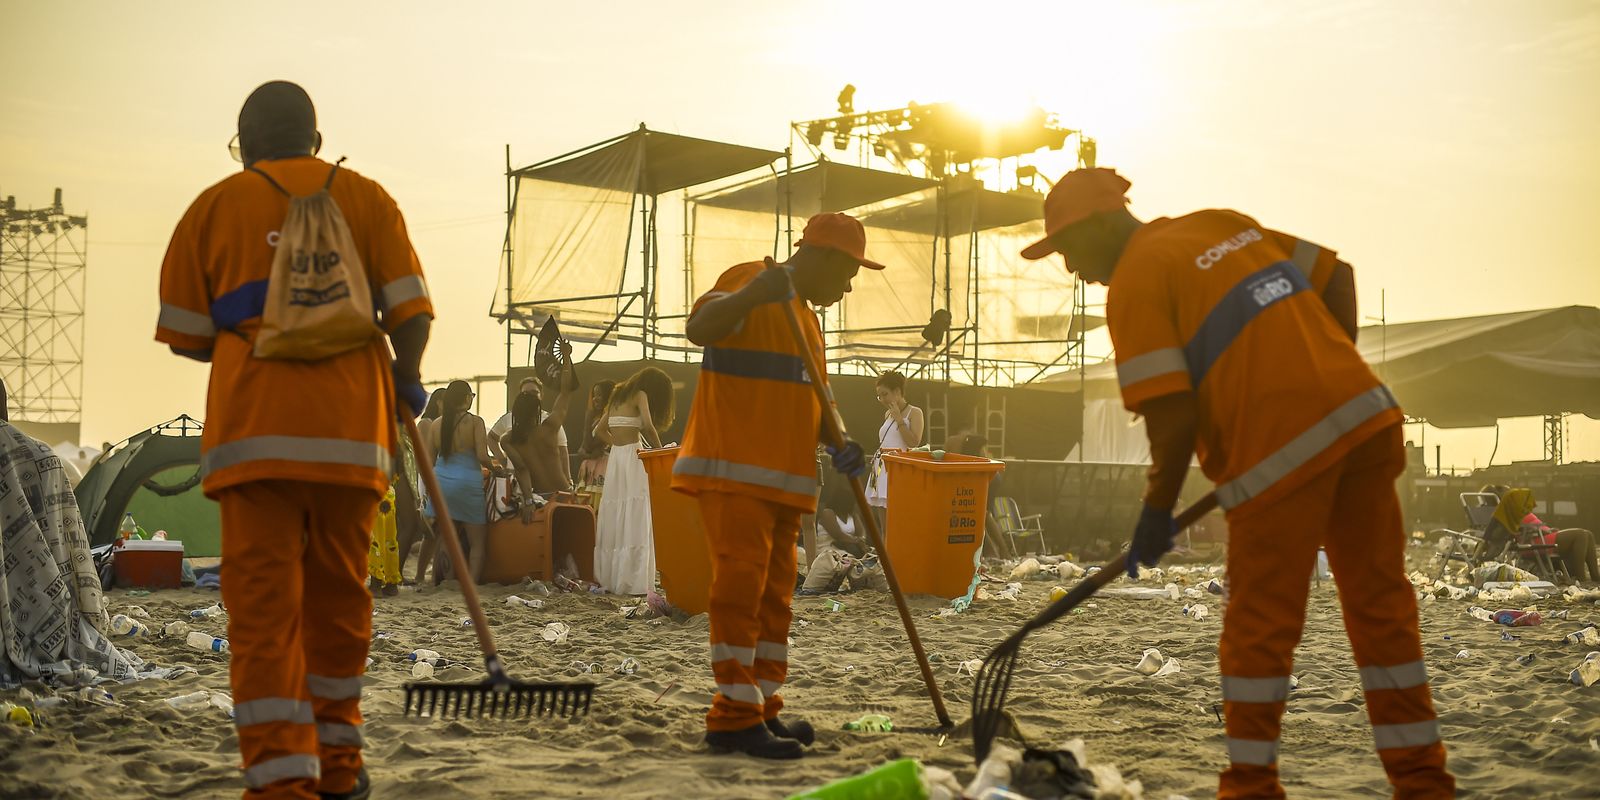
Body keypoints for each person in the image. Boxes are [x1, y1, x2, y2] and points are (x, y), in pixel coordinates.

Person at [1020, 168, 1452, 798]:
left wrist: (1155, 513)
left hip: (1274, 454)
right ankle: (1424, 784)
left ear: (1102, 225)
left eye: (1068, 250)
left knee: (1259, 629)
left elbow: (1171, 414)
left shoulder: (1136, 281)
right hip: (1362, 421)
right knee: (1381, 609)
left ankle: (1250, 787)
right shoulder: (1221, 224)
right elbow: (1338, 277)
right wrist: (1322, 376)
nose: (1072, 270)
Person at [155, 81, 432, 800]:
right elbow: (411, 312)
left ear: (245, 144)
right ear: (316, 140)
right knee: (339, 604)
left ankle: (281, 781)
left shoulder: (214, 207)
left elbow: (185, 334)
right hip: (351, 439)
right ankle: (338, 769)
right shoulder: (368, 199)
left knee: (264, 617)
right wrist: (405, 377)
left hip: (254, 443)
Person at [672, 212, 877, 760]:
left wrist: (841, 441)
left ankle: (761, 707)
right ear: (825, 256)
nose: (848, 287)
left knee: (774, 601)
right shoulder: (750, 279)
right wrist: (753, 296)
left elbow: (818, 399)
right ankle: (732, 719)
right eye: (848, 273)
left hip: (785, 486)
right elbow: (699, 329)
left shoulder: (807, 321)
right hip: (734, 474)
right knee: (739, 593)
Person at [593, 367, 675, 594]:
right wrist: (660, 452)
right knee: (637, 511)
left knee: (617, 511)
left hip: (617, 458)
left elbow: (599, 430)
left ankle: (612, 577)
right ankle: (634, 578)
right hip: (634, 456)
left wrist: (617, 445)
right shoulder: (640, 395)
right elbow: (647, 426)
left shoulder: (617, 396)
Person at [424, 380, 495, 584]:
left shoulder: (436, 424)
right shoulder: (475, 422)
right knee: (477, 542)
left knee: (448, 539)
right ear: (466, 398)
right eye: (471, 396)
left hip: (442, 483)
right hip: (467, 483)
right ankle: (471, 583)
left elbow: (428, 461)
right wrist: (496, 469)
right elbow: (482, 456)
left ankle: (448, 581)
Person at [504, 348, 578, 504]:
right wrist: (566, 358)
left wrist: (528, 501)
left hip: (540, 500)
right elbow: (566, 391)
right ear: (537, 410)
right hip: (564, 494)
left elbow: (522, 470)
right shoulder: (550, 427)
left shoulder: (509, 439)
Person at [1483, 485, 1599, 584]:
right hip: (1535, 541)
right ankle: (1581, 577)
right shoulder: (1506, 512)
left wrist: (1546, 530)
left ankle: (1595, 576)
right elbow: (1512, 531)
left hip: (1543, 536)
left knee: (1588, 534)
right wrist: (1541, 531)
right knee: (1581, 535)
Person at [863, 370, 923, 532]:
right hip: (881, 467)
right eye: (879, 396)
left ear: (897, 392)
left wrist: (899, 420)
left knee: (898, 520)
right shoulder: (887, 414)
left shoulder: (915, 412)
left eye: (885, 394)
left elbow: (913, 442)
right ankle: (885, 549)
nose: (882, 399)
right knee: (884, 524)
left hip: (899, 468)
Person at [490, 377, 571, 487]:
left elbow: (563, 451)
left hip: (549, 488)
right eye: (525, 393)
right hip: (522, 485)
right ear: (520, 397)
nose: (530, 396)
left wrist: (568, 479)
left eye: (534, 392)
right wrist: (502, 460)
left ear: (541, 395)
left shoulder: (550, 423)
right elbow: (521, 469)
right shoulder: (509, 429)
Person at [576, 379, 618, 492]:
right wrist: (584, 452)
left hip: (604, 468)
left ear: (608, 396)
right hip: (590, 469)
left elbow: (589, 446)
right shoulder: (595, 418)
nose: (595, 399)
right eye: (594, 395)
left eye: (599, 395)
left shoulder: (610, 420)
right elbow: (583, 448)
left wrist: (588, 417)